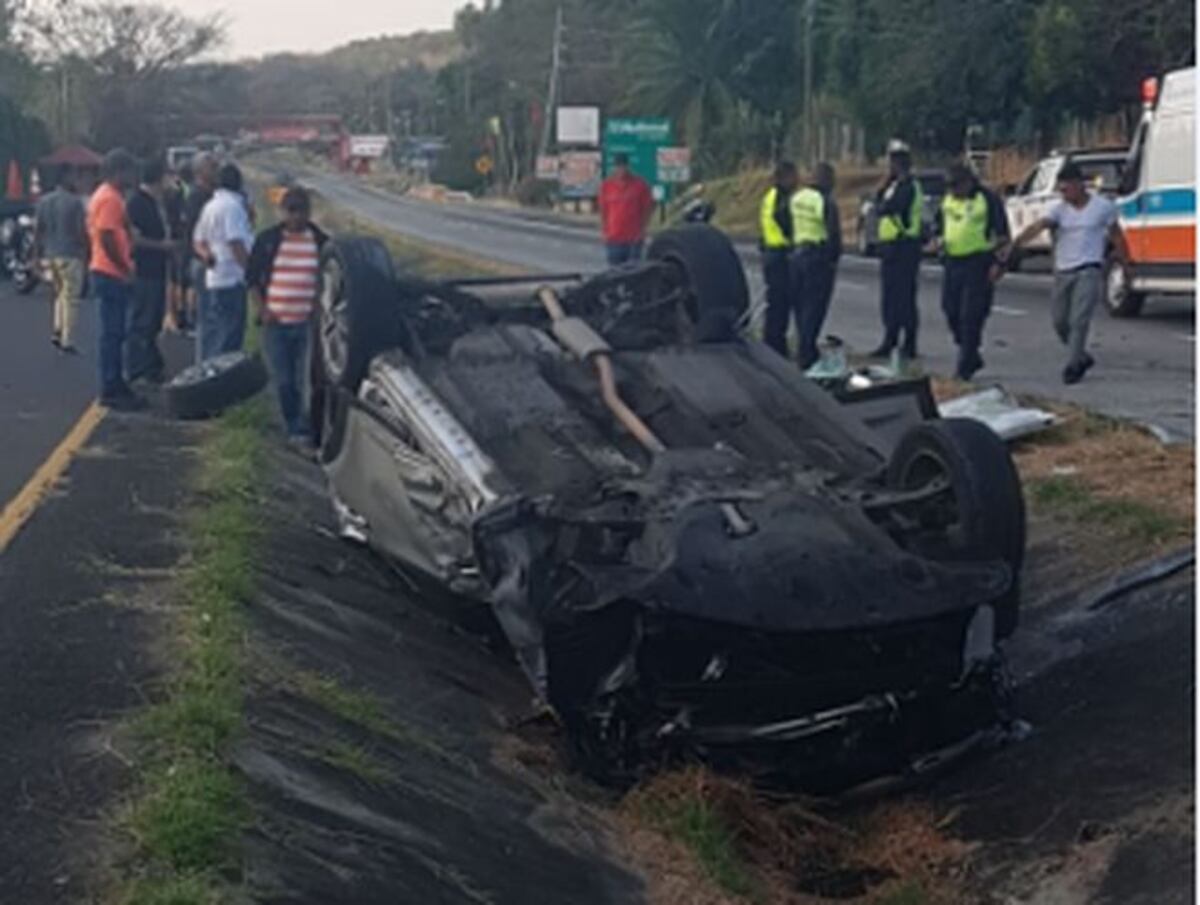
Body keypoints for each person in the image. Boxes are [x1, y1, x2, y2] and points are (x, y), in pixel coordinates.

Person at [1005, 162, 1131, 384]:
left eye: (1067, 189)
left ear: (1079, 185)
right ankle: (1081, 356)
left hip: (1089, 268)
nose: (1064, 194)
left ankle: (1073, 366)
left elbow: (1116, 234)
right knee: (1060, 321)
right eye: (1060, 190)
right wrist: (1016, 244)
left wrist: (1125, 262)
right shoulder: (1059, 210)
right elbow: (1040, 226)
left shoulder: (1102, 207)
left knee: (1079, 319)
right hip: (1064, 271)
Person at [246, 186, 329, 445]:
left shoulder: (319, 240)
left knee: (303, 379)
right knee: (283, 379)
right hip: (276, 322)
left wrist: (319, 307)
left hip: (306, 323)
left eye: (301, 211)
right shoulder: (268, 241)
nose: (295, 217)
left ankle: (305, 427)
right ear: (283, 212)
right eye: (290, 211)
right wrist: (263, 309)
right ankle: (292, 424)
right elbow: (251, 278)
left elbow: (329, 276)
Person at [934, 163, 1010, 381]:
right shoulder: (948, 200)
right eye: (949, 186)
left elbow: (1003, 235)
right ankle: (970, 351)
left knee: (971, 314)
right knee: (950, 310)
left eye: (956, 186)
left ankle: (965, 363)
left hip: (979, 262)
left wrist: (999, 263)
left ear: (969, 182)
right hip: (952, 261)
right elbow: (939, 226)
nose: (952, 190)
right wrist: (937, 240)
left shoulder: (986, 200)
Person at [87, 149, 144, 410]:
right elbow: (107, 236)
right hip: (110, 272)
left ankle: (115, 382)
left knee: (115, 332)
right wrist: (124, 267)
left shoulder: (106, 195)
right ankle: (110, 386)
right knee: (112, 333)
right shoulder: (110, 199)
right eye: (130, 171)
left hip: (106, 269)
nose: (133, 177)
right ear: (119, 171)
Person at [192, 162, 254, 361]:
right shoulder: (232, 207)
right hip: (232, 277)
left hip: (215, 277)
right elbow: (235, 242)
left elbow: (198, 241)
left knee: (215, 333)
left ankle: (208, 375)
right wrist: (251, 272)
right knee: (230, 337)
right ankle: (222, 381)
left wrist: (207, 255)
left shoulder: (210, 206)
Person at [871, 139, 924, 359]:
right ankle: (890, 339)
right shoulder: (894, 186)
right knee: (890, 298)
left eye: (893, 162)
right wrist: (884, 186)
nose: (890, 167)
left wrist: (882, 202)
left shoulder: (908, 186)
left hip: (905, 247)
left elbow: (888, 208)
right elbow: (878, 200)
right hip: (891, 247)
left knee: (904, 298)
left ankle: (909, 343)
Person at [126, 156, 176, 384]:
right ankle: (138, 368)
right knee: (143, 319)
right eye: (166, 174)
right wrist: (162, 246)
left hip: (157, 268)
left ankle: (151, 365)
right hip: (144, 268)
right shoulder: (137, 203)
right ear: (158, 177)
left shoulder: (157, 201)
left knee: (153, 318)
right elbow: (134, 239)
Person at [789, 162, 843, 369]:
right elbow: (833, 235)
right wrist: (832, 261)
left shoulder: (798, 197)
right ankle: (807, 354)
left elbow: (786, 222)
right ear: (827, 180)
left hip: (796, 256)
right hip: (817, 259)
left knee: (800, 308)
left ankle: (805, 349)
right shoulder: (825, 201)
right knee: (814, 308)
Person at [34, 164, 88, 354]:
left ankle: (57, 330)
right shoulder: (74, 203)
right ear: (65, 177)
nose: (76, 180)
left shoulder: (44, 201)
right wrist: (87, 251)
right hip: (71, 254)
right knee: (71, 297)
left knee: (59, 294)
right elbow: (80, 231)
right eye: (74, 175)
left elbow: (38, 230)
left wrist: (35, 256)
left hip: (50, 254)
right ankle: (67, 339)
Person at [760, 160, 798, 357]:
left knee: (776, 303)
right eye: (794, 176)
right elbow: (781, 217)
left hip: (770, 253)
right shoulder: (781, 197)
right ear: (785, 177)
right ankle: (775, 345)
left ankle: (774, 342)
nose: (797, 180)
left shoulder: (770, 196)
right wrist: (792, 236)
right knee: (779, 304)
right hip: (779, 254)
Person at [181, 153, 217, 337]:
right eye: (211, 167)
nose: (215, 170)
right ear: (199, 172)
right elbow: (195, 230)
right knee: (206, 314)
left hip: (209, 257)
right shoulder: (197, 197)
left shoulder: (211, 194)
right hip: (202, 257)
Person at [598, 152, 654, 266]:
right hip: (614, 238)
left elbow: (648, 208)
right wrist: (605, 232)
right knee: (614, 273)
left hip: (633, 239)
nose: (621, 170)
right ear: (614, 168)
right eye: (618, 166)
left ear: (628, 166)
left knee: (633, 274)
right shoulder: (606, 186)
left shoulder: (640, 185)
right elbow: (604, 211)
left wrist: (643, 230)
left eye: (623, 166)